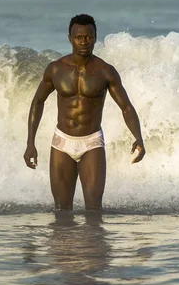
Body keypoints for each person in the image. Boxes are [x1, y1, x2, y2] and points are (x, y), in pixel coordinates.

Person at [23, 14, 145, 211]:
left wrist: (138, 137)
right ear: (70, 38)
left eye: (88, 37)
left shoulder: (105, 71)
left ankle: (91, 243)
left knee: (94, 209)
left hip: (92, 142)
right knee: (62, 210)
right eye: (79, 37)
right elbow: (38, 102)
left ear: (95, 37)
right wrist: (30, 143)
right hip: (62, 142)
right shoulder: (55, 69)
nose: (84, 41)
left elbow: (126, 107)